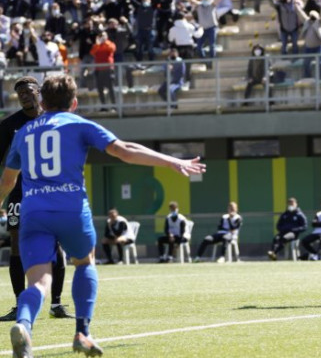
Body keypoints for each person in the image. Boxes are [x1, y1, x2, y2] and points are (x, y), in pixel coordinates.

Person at [0, 75, 204, 357]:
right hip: (71, 209)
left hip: (33, 212)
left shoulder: (23, 133)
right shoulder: (79, 125)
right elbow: (125, 151)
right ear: (74, 103)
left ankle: (24, 325)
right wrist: (173, 161)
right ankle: (82, 333)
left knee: (37, 281)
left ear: (42, 102)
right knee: (84, 263)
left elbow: (8, 182)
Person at [0, 77, 74, 323]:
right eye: (19, 93)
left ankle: (56, 303)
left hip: (52, 192)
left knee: (57, 244)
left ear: (39, 92)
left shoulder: (55, 119)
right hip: (19, 194)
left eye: (28, 90)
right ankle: (21, 304)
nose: (24, 95)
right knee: (16, 242)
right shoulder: (9, 126)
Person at [89, 30, 116, 111]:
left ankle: (114, 106)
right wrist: (98, 44)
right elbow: (92, 52)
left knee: (111, 88)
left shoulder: (110, 43)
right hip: (99, 69)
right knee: (100, 88)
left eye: (104, 35)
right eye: (101, 36)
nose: (102, 37)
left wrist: (105, 42)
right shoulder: (97, 45)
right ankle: (103, 106)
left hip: (108, 69)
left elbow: (112, 49)